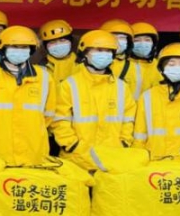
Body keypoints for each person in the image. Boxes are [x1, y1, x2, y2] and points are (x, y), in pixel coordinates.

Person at [0, 26, 55, 166]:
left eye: (24, 47)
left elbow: (48, 116)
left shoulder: (45, 78)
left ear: (31, 50)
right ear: (3, 48)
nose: (19, 51)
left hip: (34, 154)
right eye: (14, 46)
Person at [52, 29, 136, 166]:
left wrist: (124, 142)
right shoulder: (68, 85)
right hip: (77, 160)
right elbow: (59, 120)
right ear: (85, 53)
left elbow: (129, 119)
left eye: (108, 51)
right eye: (98, 50)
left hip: (113, 158)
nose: (104, 54)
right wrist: (72, 145)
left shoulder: (122, 87)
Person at [100, 19, 145, 100]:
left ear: (128, 42)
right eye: (112, 36)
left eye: (122, 38)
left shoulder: (136, 68)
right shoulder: (92, 63)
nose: (117, 41)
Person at [38, 19, 76, 83]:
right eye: (52, 42)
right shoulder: (39, 68)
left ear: (71, 42)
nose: (58, 44)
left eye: (62, 40)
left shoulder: (83, 65)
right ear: (45, 46)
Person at [130, 21, 161, 91]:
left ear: (153, 44)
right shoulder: (120, 65)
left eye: (147, 40)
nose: (142, 43)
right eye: (136, 40)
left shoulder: (160, 66)